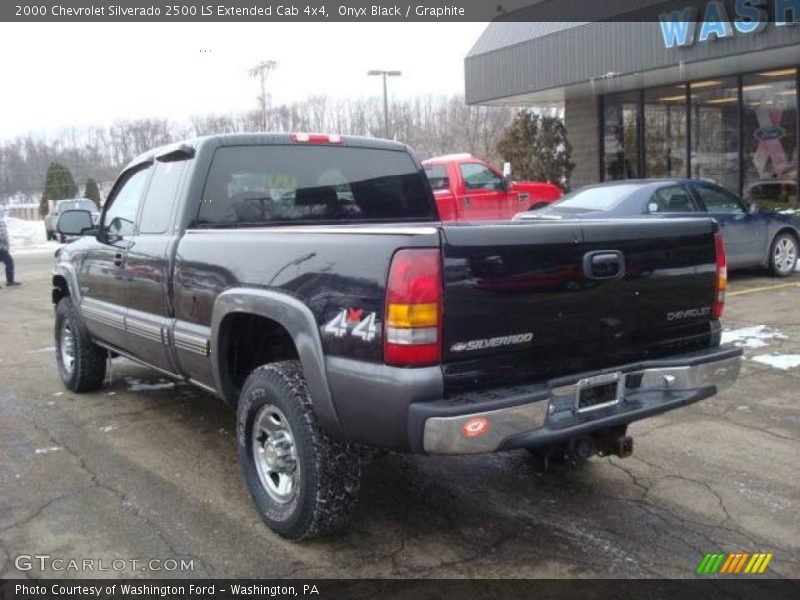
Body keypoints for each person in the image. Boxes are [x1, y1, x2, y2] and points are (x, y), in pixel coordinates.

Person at [0, 206, 21, 288]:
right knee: (9, 262)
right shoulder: (1, 222)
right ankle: (10, 280)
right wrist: (6, 245)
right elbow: (2, 236)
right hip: (1, 248)